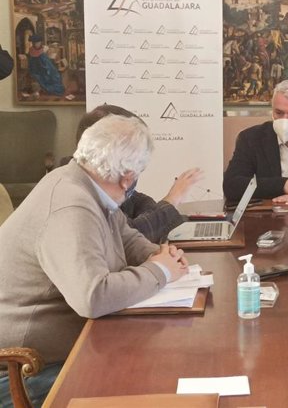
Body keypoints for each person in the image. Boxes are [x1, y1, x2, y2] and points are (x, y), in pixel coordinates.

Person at [0, 115, 188, 407]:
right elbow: (94, 296)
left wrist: (154, 254)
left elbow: (123, 233)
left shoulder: (83, 181)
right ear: (128, 176)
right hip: (28, 368)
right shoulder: (71, 202)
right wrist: (160, 271)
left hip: (65, 344)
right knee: (154, 378)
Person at [70, 104, 203, 243]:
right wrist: (172, 200)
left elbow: (135, 202)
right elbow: (125, 239)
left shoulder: (101, 180)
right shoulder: (79, 198)